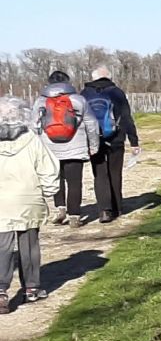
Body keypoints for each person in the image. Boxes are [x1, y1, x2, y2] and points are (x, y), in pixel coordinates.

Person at [0, 97, 59, 314]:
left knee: (2, 247)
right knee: (29, 245)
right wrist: (49, 191)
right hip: (29, 198)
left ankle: (0, 291)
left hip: (1, 201)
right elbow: (49, 169)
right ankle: (32, 287)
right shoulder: (33, 140)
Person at [32, 71, 99, 226]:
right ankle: (74, 215)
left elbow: (34, 126)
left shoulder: (41, 101)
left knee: (56, 179)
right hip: (75, 148)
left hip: (49, 148)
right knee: (75, 182)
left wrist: (37, 146)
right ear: (67, 82)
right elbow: (92, 124)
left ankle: (60, 210)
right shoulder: (78, 99)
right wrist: (94, 145)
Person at [83, 67, 139, 223]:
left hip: (94, 139)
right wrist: (133, 140)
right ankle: (117, 207)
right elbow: (127, 117)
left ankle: (104, 210)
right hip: (116, 138)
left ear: (93, 78)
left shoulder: (85, 94)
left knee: (100, 174)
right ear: (109, 77)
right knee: (115, 172)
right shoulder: (117, 92)